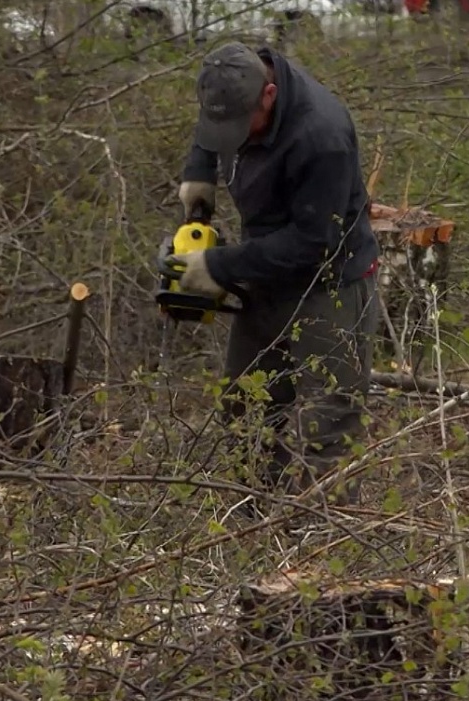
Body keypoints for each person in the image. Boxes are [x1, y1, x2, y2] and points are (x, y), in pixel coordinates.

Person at [165, 41, 380, 512]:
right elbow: (210, 131)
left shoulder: (321, 136)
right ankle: (252, 528)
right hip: (267, 271)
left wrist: (217, 266)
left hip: (329, 283)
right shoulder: (230, 84)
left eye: (240, 127)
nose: (233, 138)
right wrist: (198, 181)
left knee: (329, 422)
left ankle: (330, 544)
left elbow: (311, 243)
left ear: (268, 94)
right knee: (246, 408)